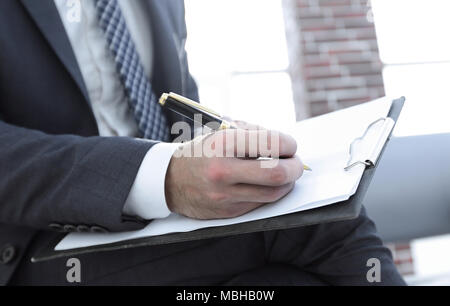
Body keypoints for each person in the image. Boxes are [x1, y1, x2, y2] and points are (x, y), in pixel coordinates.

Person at [0, 0, 405, 285]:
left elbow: (174, 106)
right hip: (34, 245)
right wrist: (164, 177)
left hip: (159, 230)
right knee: (321, 226)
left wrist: (221, 146)